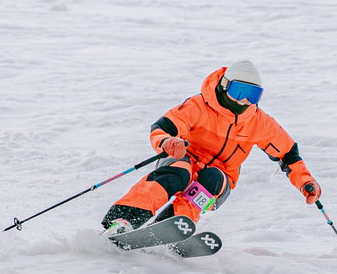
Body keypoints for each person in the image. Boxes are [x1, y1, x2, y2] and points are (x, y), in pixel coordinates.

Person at [101, 61, 321, 234]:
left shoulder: (259, 122)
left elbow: (288, 154)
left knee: (213, 178)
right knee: (178, 172)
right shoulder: (199, 106)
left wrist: (305, 182)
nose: (244, 101)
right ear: (225, 86)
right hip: (182, 157)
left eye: (253, 95)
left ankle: (174, 226)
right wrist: (167, 142)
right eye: (239, 92)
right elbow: (163, 127)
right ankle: (123, 219)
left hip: (220, 179)